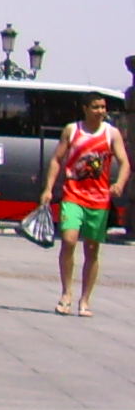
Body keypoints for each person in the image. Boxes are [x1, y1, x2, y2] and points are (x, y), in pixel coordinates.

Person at [35, 92, 127, 317]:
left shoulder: (111, 133)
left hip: (99, 199)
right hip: (73, 195)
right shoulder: (72, 130)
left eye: (103, 107)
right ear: (85, 109)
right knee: (68, 240)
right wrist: (48, 188)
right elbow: (57, 159)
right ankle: (66, 293)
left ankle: (85, 299)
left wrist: (119, 183)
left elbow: (125, 162)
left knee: (92, 249)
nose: (100, 111)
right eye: (95, 107)